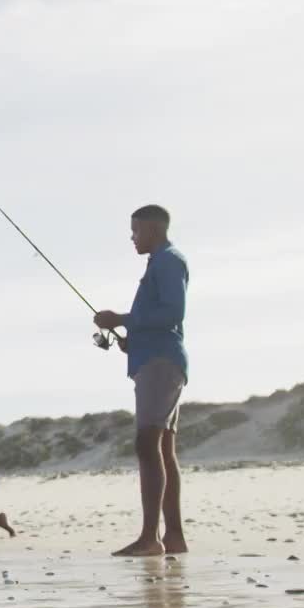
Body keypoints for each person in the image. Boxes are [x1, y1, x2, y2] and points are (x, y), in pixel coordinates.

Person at [94, 204, 190, 557]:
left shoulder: (168, 260)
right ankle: (174, 538)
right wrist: (131, 339)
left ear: (151, 229)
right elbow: (162, 318)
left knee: (147, 446)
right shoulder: (162, 262)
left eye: (135, 231)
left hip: (161, 363)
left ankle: (151, 538)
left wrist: (120, 318)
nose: (132, 238)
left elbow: (172, 312)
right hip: (159, 358)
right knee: (163, 448)